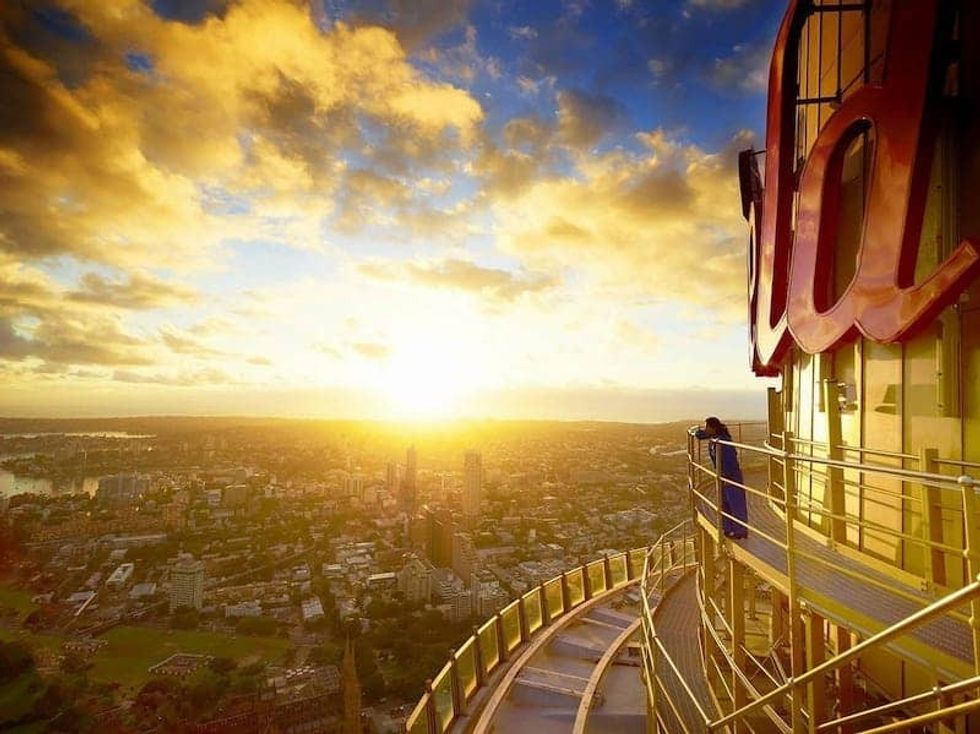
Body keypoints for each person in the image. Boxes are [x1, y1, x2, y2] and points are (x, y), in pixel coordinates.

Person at [692, 417, 748, 539]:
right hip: (722, 476)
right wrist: (698, 432)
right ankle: (728, 529)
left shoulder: (724, 442)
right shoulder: (715, 437)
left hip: (731, 476)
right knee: (724, 503)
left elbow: (730, 461)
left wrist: (727, 478)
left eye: (707, 427)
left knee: (735, 503)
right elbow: (700, 435)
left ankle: (740, 531)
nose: (705, 429)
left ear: (713, 428)